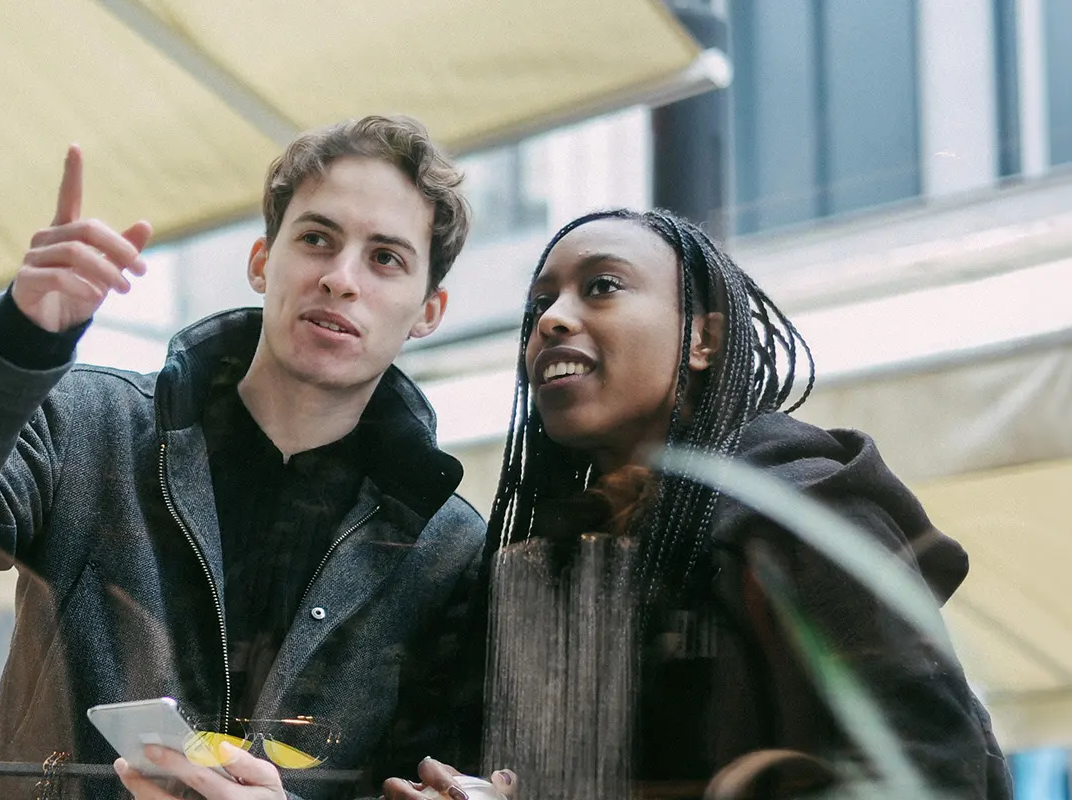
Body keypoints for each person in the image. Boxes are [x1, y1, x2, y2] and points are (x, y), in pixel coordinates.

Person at [0, 116, 488, 800]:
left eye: (385, 258)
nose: (340, 278)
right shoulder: (89, 424)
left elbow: (427, 781)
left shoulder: (446, 549)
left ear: (429, 311)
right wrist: (19, 343)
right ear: (262, 261)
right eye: (317, 239)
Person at [386, 209, 1010, 799]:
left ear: (704, 339)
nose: (552, 319)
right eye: (539, 304)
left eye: (602, 286)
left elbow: (935, 776)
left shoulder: (802, 519)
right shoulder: (539, 566)